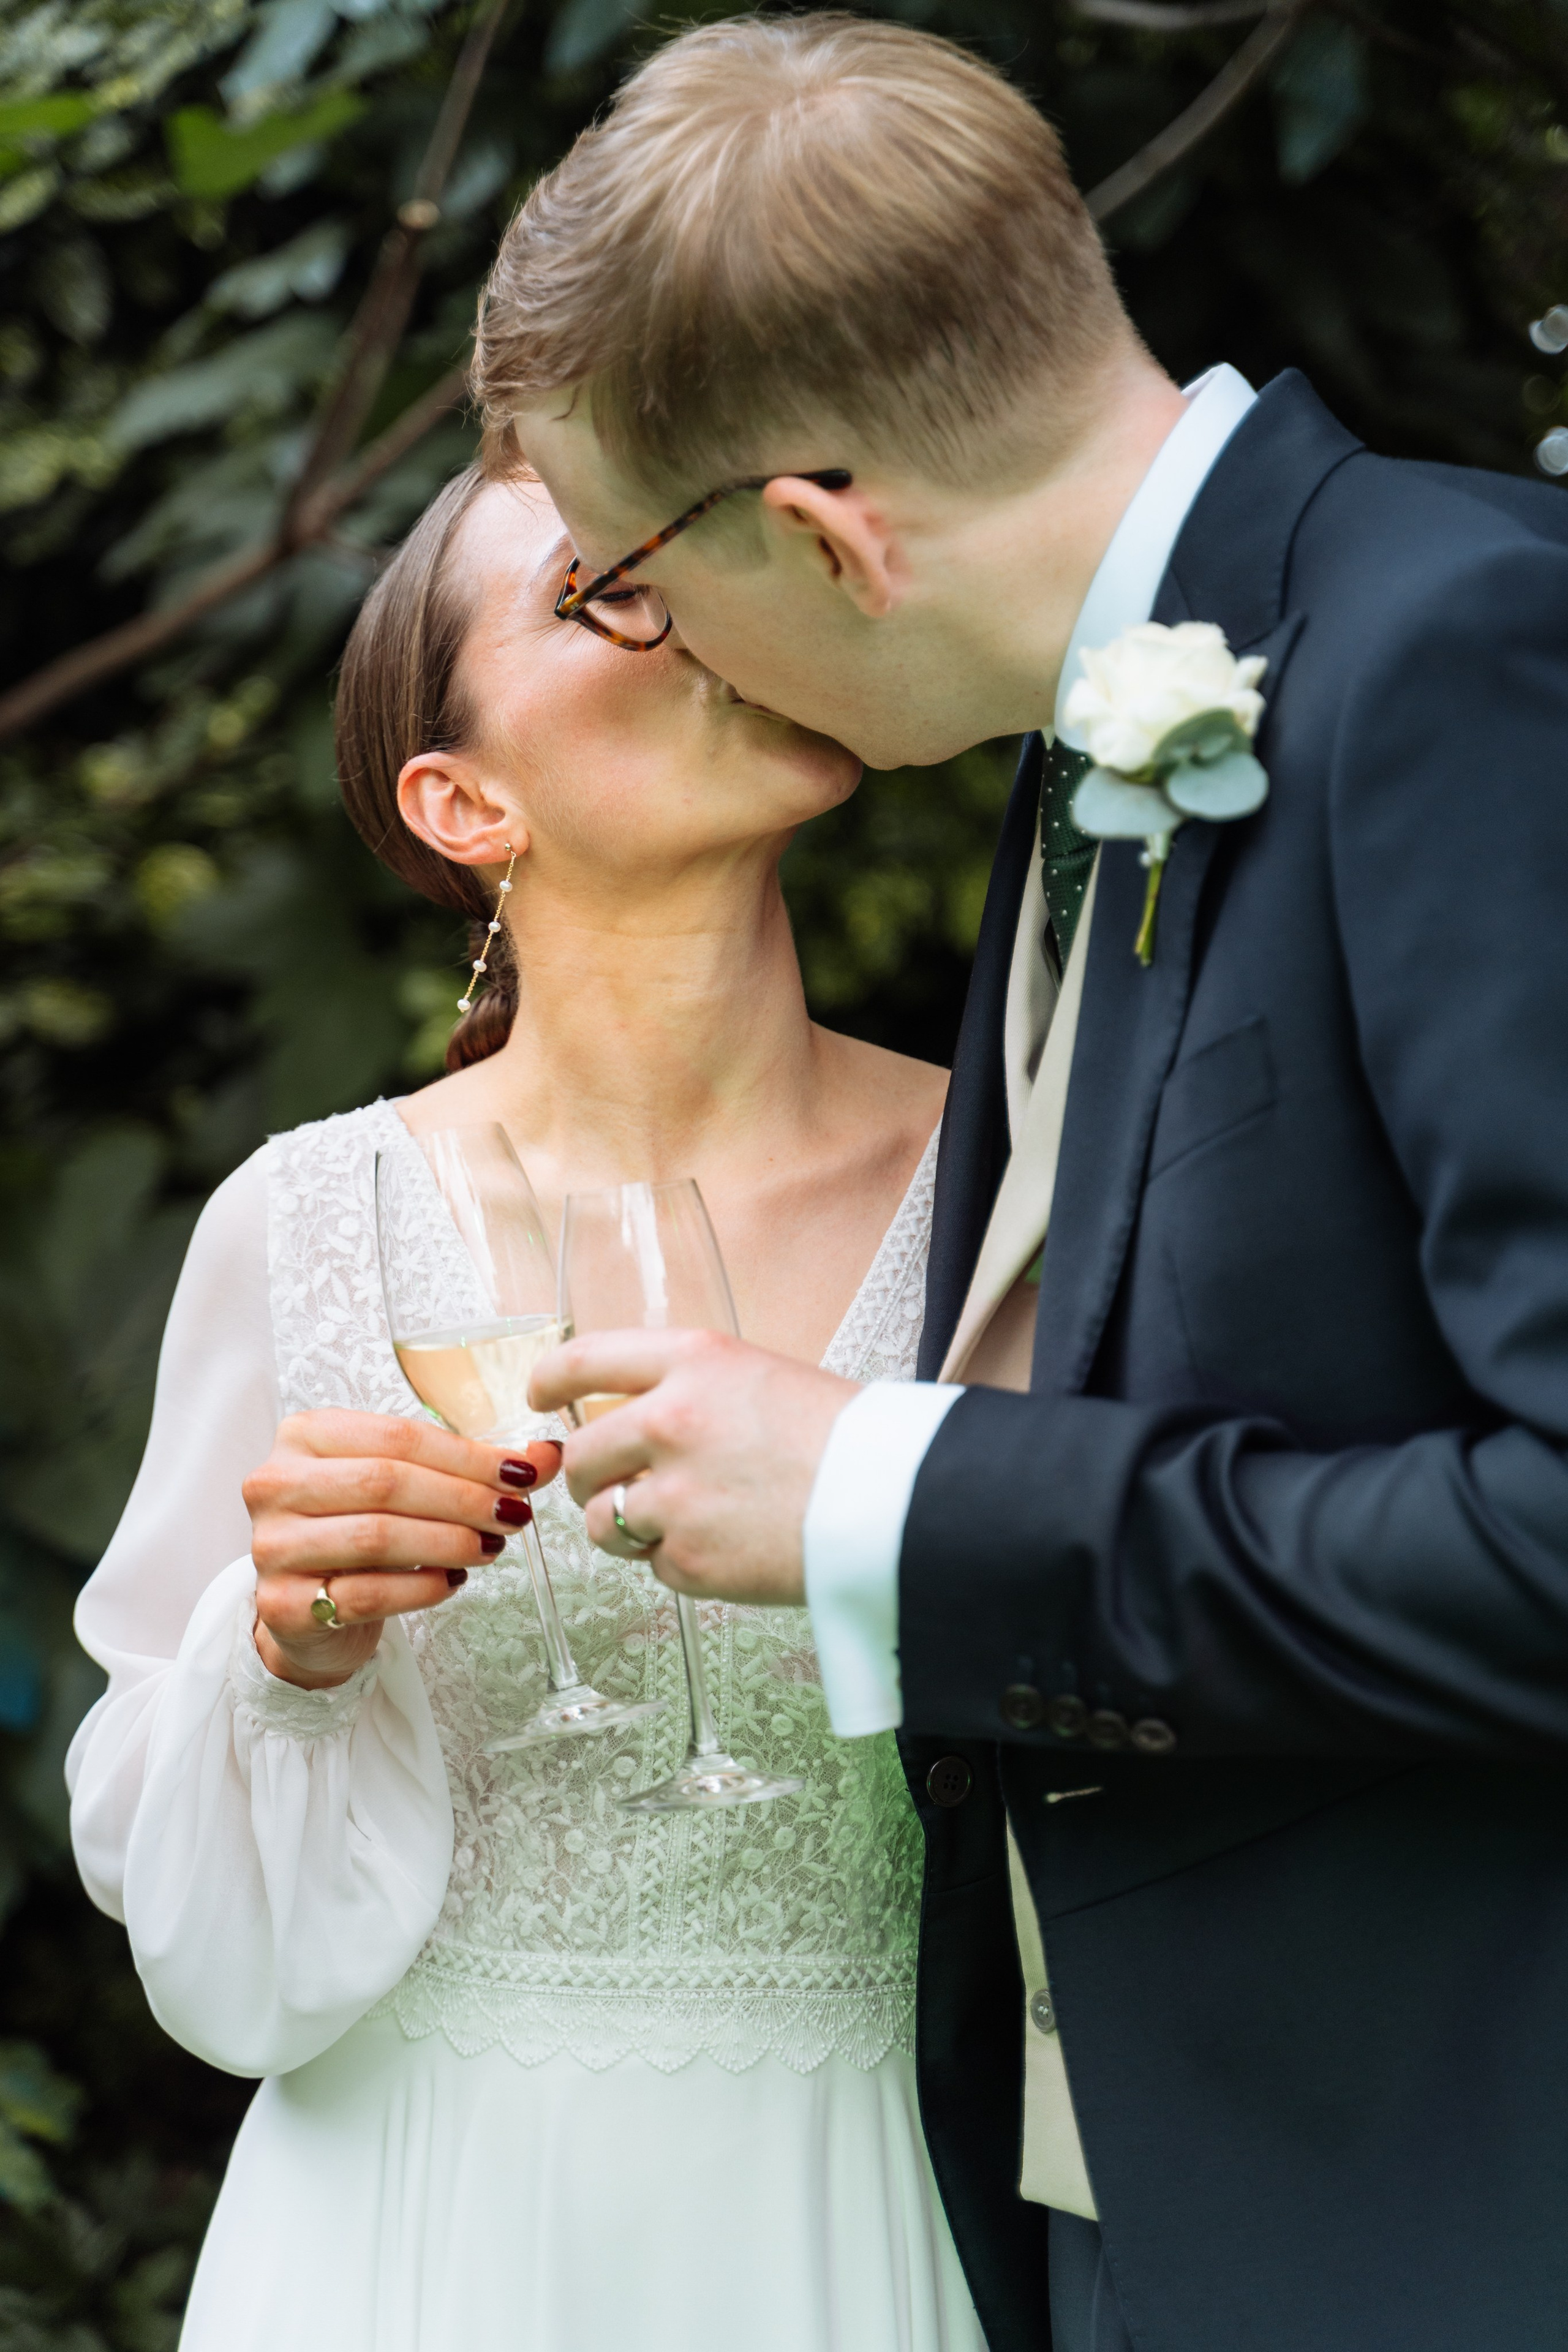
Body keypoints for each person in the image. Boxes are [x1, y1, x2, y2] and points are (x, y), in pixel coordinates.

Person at [475, 15, 1568, 2352]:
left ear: (820, 533)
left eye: (628, 580)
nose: (661, 647)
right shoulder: (1080, 757)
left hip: (1454, 2208)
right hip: (1149, 2203)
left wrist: (889, 1494)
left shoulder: (1466, 651)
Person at [64, 458, 985, 2352]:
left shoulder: (1018, 1197)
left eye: (698, 553)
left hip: (859, 2205)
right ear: (464, 802)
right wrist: (288, 1653)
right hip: (413, 2231)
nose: (693, 602)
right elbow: (179, 1901)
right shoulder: (306, 1227)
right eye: (597, 589)